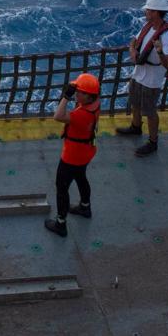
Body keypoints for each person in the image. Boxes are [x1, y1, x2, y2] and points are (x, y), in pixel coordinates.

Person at [117, 0, 168, 156]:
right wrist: (132, 51)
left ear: (156, 12)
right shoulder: (147, 26)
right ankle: (136, 127)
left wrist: (160, 51)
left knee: (150, 111)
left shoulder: (167, 36)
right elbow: (134, 41)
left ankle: (153, 141)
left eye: (148, 10)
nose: (146, 12)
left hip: (152, 78)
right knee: (135, 101)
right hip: (139, 72)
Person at [45, 73, 102, 237]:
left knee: (62, 188)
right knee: (81, 177)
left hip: (72, 156)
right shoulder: (95, 104)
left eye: (79, 92)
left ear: (88, 96)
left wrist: (66, 97)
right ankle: (85, 207)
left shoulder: (81, 115)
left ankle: (60, 224)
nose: (76, 93)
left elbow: (58, 116)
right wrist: (77, 90)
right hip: (87, 151)